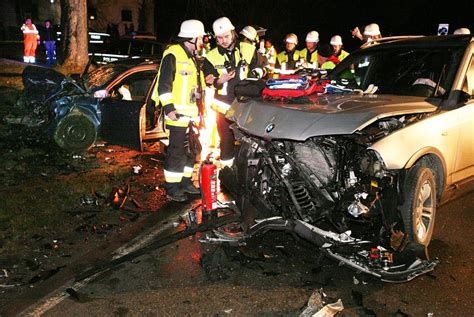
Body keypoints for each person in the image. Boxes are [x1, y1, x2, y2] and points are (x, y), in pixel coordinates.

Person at [152, 19, 206, 202]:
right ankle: (172, 188)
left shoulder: (192, 58)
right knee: (176, 152)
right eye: (201, 38)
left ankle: (186, 182)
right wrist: (169, 109)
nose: (202, 42)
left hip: (191, 117)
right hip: (176, 116)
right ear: (192, 38)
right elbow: (163, 85)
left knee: (191, 151)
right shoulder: (173, 54)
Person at [203, 17, 264, 169]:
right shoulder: (211, 56)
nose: (223, 41)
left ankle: (249, 173)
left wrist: (257, 73)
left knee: (250, 140)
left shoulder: (248, 49)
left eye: (226, 36)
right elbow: (209, 80)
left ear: (233, 33)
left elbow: (263, 67)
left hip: (247, 105)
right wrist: (219, 80)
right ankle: (226, 171)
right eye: (219, 38)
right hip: (224, 107)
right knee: (226, 141)